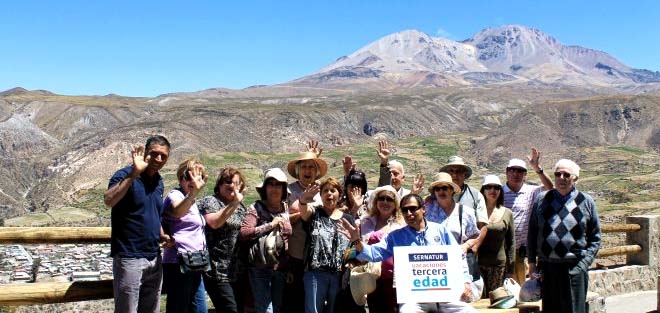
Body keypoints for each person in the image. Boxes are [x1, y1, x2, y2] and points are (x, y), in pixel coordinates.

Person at [340, 194, 477, 313]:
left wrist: (466, 282)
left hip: (445, 296)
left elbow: (458, 256)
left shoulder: (441, 231)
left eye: (413, 208)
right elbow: (374, 253)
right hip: (415, 299)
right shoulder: (395, 237)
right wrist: (357, 241)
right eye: (405, 210)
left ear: (423, 209)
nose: (409, 213)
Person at [104, 135, 171, 313]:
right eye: (154, 154)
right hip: (129, 257)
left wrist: (162, 233)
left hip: (154, 257)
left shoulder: (158, 182)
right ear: (145, 153)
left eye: (163, 156)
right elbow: (109, 200)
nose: (158, 159)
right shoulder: (125, 174)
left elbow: (153, 213)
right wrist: (134, 173)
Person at [528, 159, 601, 313]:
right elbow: (533, 232)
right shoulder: (542, 200)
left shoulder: (586, 202)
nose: (561, 177)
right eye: (557, 174)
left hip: (574, 268)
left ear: (575, 178)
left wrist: (584, 264)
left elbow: (595, 237)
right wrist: (532, 263)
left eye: (566, 174)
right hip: (547, 268)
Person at [297, 177, 355, 313]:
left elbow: (353, 244)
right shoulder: (314, 213)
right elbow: (303, 211)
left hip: (339, 275)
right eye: (325, 191)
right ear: (321, 195)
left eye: (333, 190)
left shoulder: (348, 219)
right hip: (315, 273)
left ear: (339, 195)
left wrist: (351, 261)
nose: (329, 193)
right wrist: (303, 200)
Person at [423, 172, 483, 302]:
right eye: (437, 189)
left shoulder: (466, 212)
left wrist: (466, 246)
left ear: (452, 190)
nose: (441, 191)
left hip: (459, 266)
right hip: (434, 267)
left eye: (445, 188)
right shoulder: (426, 209)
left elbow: (475, 235)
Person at [240, 168, 293, 313]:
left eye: (278, 184)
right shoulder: (256, 208)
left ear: (283, 189)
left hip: (280, 269)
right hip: (260, 268)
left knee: (276, 308)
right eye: (271, 184)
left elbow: (286, 239)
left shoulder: (285, 210)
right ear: (265, 188)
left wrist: (288, 268)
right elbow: (244, 233)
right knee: (266, 310)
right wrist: (270, 225)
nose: (274, 188)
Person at [283, 143, 328, 313]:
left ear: (316, 171)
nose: (307, 170)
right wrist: (302, 213)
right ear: (297, 170)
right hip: (295, 254)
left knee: (314, 301)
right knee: (293, 299)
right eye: (304, 167)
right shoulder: (288, 191)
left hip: (317, 256)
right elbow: (281, 218)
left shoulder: (322, 191)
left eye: (311, 166)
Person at [198, 166, 249, 313]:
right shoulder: (210, 202)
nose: (232, 185)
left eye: (236, 183)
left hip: (238, 271)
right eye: (227, 181)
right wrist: (234, 203)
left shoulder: (241, 207)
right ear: (219, 184)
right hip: (217, 271)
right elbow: (215, 222)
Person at [161, 157, 209, 313]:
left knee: (200, 308)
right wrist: (194, 192)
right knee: (179, 307)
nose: (193, 181)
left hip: (195, 262)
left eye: (198, 177)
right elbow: (177, 212)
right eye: (189, 176)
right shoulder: (175, 195)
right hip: (178, 262)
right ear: (180, 178)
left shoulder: (193, 201)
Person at [503, 148, 553, 284]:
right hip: (502, 250)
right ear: (507, 173)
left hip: (521, 252)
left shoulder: (531, 191)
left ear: (525, 175)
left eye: (519, 171)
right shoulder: (498, 192)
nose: (515, 174)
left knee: (520, 288)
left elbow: (551, 188)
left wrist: (538, 168)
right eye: (512, 170)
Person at [359, 185, 405, 313]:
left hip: (393, 279)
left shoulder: (401, 225)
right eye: (382, 198)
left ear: (395, 204)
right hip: (371, 278)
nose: (385, 202)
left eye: (389, 199)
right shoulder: (365, 222)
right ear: (376, 201)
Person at [476, 175, 514, 297]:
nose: (493, 190)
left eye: (496, 187)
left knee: (497, 301)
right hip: (477, 266)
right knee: (478, 301)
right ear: (483, 190)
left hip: (499, 267)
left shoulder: (507, 213)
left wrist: (511, 270)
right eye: (489, 187)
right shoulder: (474, 211)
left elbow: (511, 243)